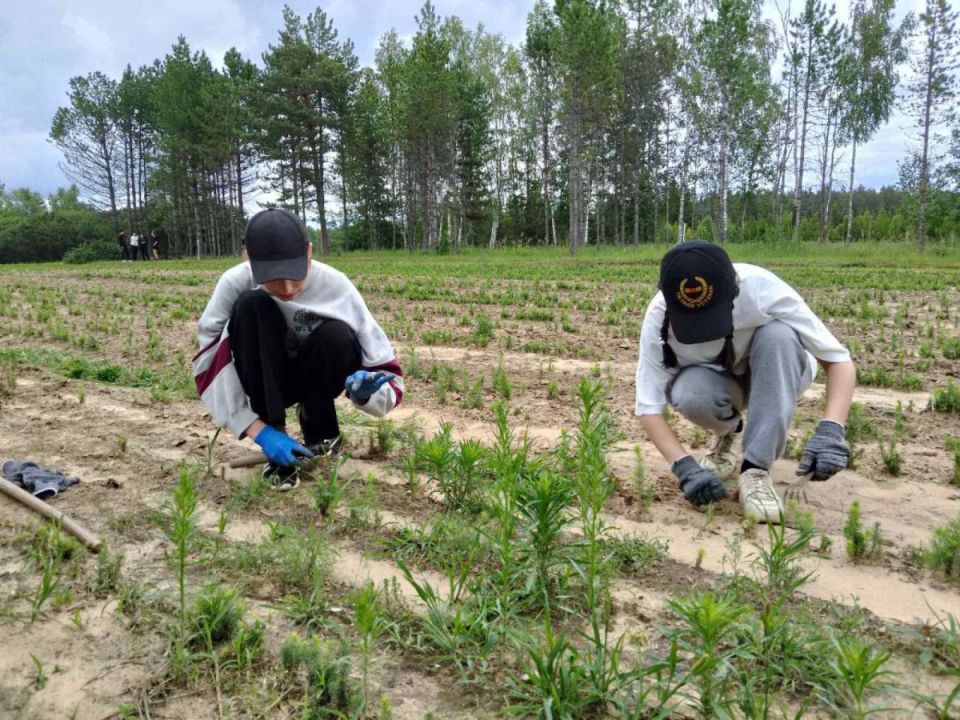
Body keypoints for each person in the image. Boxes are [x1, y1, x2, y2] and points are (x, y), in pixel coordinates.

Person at [634, 241, 855, 523]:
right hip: (722, 383)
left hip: (780, 371)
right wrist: (684, 466)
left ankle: (755, 470)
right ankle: (731, 432)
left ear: (735, 287)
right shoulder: (659, 315)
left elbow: (838, 360)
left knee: (778, 335)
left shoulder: (763, 289)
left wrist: (831, 430)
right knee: (689, 392)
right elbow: (647, 407)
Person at [193, 207, 404, 490]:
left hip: (315, 377)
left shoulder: (336, 285)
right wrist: (261, 432)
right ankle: (277, 441)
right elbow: (208, 365)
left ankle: (320, 431)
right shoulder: (234, 283)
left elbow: (386, 369)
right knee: (249, 306)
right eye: (273, 278)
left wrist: (367, 394)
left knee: (337, 334)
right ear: (249, 259)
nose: (288, 287)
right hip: (266, 377)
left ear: (309, 253)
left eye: (295, 273)